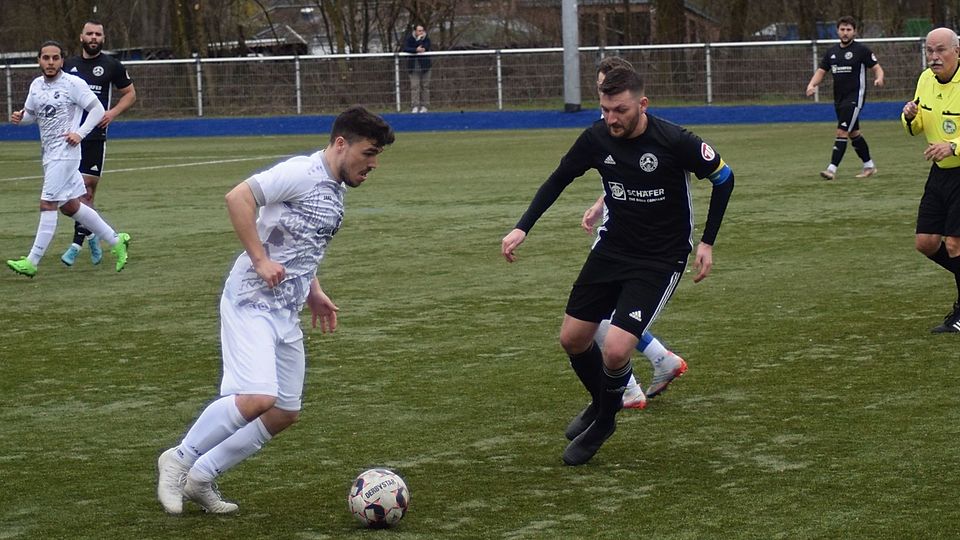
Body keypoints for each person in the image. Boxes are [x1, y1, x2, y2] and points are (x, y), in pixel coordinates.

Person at [156, 106, 395, 514]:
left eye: (376, 156)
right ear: (341, 144)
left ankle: (201, 476)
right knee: (257, 397)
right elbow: (238, 197)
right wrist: (260, 260)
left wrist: (313, 291)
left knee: (285, 411)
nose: (372, 164)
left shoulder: (335, 193)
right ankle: (179, 458)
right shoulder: (301, 173)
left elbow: (302, 247)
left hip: (286, 310)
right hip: (251, 300)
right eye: (368, 153)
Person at [501, 67, 734, 466]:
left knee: (615, 349)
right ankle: (600, 402)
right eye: (605, 109)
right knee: (572, 339)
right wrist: (523, 227)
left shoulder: (675, 140)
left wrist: (708, 242)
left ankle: (605, 419)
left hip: (660, 259)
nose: (611, 118)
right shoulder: (595, 137)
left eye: (620, 110)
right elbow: (559, 178)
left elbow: (724, 178)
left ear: (642, 104)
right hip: (611, 250)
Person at [589, 57, 688, 410]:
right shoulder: (609, 126)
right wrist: (601, 201)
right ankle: (661, 359)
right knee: (610, 313)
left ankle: (628, 387)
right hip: (618, 232)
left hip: (636, 241)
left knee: (600, 316)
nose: (608, 111)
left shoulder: (654, 134)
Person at [6, 41, 130, 278]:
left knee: (47, 204)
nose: (50, 62)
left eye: (55, 58)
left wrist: (79, 133)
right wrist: (20, 117)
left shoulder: (73, 83)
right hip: (50, 154)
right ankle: (116, 241)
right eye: (46, 58)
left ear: (62, 61)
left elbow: (96, 109)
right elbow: (32, 115)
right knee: (72, 207)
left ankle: (32, 261)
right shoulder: (36, 85)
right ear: (39, 61)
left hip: (65, 154)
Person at [60, 19, 136, 267]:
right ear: (81, 37)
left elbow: (130, 94)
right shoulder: (68, 65)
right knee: (70, 194)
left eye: (98, 34)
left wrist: (111, 113)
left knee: (87, 192)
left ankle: (78, 242)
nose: (94, 37)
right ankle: (89, 235)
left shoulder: (111, 65)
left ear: (103, 39)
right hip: (70, 136)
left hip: (94, 137)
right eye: (89, 33)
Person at [901, 27, 960, 333]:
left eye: (940, 50)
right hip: (940, 172)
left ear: (957, 51)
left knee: (954, 244)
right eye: (929, 51)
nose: (934, 57)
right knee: (926, 242)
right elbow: (915, 127)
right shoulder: (925, 79)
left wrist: (953, 145)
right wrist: (910, 117)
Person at [805, 16, 884, 180]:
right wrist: (812, 85)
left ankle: (831, 169)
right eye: (842, 29)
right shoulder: (832, 52)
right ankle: (869, 166)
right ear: (837, 31)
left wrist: (879, 78)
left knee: (842, 131)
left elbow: (877, 68)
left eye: (849, 29)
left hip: (855, 98)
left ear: (854, 31)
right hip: (839, 99)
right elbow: (821, 71)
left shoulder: (861, 50)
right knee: (854, 133)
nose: (845, 33)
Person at [402, 25, 431, 113]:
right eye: (419, 30)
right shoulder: (409, 39)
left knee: (425, 86)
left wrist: (420, 43)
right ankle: (415, 105)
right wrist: (416, 49)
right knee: (415, 87)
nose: (421, 32)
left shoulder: (426, 39)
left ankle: (425, 106)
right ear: (415, 31)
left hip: (425, 67)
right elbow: (406, 48)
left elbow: (426, 47)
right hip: (413, 67)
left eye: (422, 30)